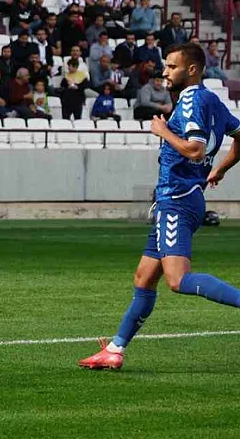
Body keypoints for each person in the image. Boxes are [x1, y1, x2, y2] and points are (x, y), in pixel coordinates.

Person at [79, 43, 240, 371]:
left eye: (171, 66)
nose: (164, 72)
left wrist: (163, 130)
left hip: (177, 200)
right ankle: (114, 349)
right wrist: (220, 169)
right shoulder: (212, 100)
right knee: (143, 279)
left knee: (177, 280)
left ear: (192, 69)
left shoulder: (193, 99)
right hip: (182, 198)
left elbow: (194, 150)